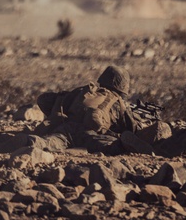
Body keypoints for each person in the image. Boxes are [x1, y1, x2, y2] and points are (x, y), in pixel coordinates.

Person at [33, 66, 162, 154]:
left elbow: (45, 100)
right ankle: (122, 146)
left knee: (55, 140)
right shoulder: (117, 102)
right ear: (122, 87)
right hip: (91, 134)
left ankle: (37, 143)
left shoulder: (85, 91)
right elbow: (132, 128)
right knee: (109, 146)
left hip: (68, 127)